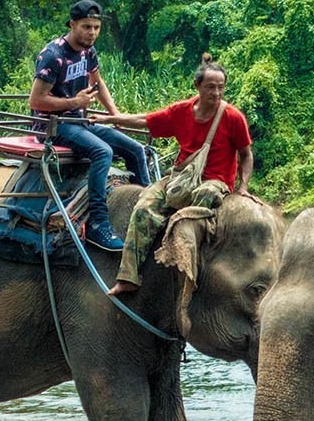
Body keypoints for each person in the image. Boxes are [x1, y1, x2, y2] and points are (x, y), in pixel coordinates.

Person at [96, 54, 254, 295]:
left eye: (221, 87)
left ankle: (186, 256)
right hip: (181, 176)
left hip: (215, 181)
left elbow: (246, 154)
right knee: (143, 207)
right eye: (210, 87)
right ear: (197, 86)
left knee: (205, 195)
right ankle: (128, 276)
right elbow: (146, 120)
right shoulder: (182, 111)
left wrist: (242, 187)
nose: (216, 93)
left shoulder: (233, 117)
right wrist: (112, 119)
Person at [28, 0, 152, 252]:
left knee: (135, 149)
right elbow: (36, 100)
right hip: (53, 125)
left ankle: (149, 206)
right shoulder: (53, 56)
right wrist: (74, 102)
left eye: (96, 27)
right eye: (86, 27)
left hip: (79, 121)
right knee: (102, 151)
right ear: (72, 24)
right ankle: (98, 223)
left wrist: (116, 116)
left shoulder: (88, 51)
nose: (92, 33)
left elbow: (98, 82)